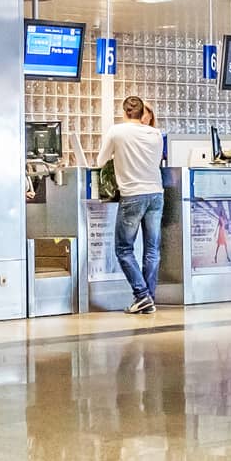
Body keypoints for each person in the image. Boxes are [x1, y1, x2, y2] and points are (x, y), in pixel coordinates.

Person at [96, 95, 164, 313]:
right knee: (152, 249)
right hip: (156, 194)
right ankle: (148, 299)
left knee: (124, 249)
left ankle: (142, 295)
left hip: (132, 195)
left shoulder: (117, 131)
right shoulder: (156, 133)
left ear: (124, 112)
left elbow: (100, 161)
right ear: (143, 111)